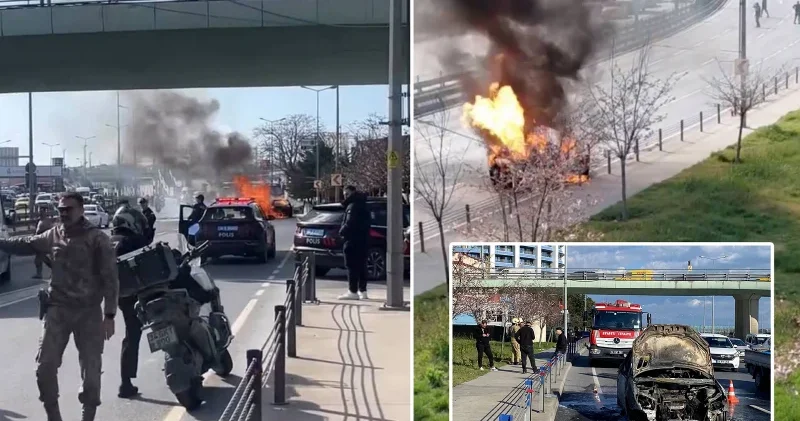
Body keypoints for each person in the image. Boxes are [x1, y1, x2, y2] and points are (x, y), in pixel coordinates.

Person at [0, 192, 117, 421]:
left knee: (91, 371)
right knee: (44, 367)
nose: (64, 213)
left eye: (69, 209)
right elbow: (25, 244)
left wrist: (110, 315)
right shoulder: (53, 234)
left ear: (81, 210)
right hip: (58, 310)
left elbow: (111, 279)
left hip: (88, 313)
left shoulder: (97, 239)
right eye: (61, 210)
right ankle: (54, 416)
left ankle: (88, 415)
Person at [109, 206, 149, 399]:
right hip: (144, 291)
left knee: (132, 335)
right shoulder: (132, 241)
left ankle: (125, 382)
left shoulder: (106, 241)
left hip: (121, 297)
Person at [338, 185, 371, 300]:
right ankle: (363, 290)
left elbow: (350, 223)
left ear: (353, 193)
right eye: (344, 194)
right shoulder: (363, 203)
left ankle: (352, 291)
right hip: (363, 240)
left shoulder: (353, 206)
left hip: (353, 240)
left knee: (352, 266)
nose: (345, 196)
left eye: (347, 194)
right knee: (362, 266)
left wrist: (341, 232)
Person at [33, 205, 54, 279]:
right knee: (40, 258)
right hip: (39, 242)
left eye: (42, 212)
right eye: (39, 212)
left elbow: (50, 231)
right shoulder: (39, 221)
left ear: (45, 212)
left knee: (40, 258)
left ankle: (54, 271)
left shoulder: (47, 221)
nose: (40, 213)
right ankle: (39, 274)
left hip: (45, 242)